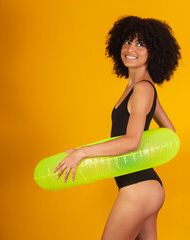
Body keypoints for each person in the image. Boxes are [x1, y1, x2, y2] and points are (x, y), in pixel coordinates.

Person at [53, 15, 181, 240]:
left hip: (138, 188)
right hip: (150, 188)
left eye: (141, 44)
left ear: (155, 53)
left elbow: (132, 141)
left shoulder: (142, 89)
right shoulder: (143, 88)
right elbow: (171, 134)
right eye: (127, 41)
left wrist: (81, 153)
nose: (131, 48)